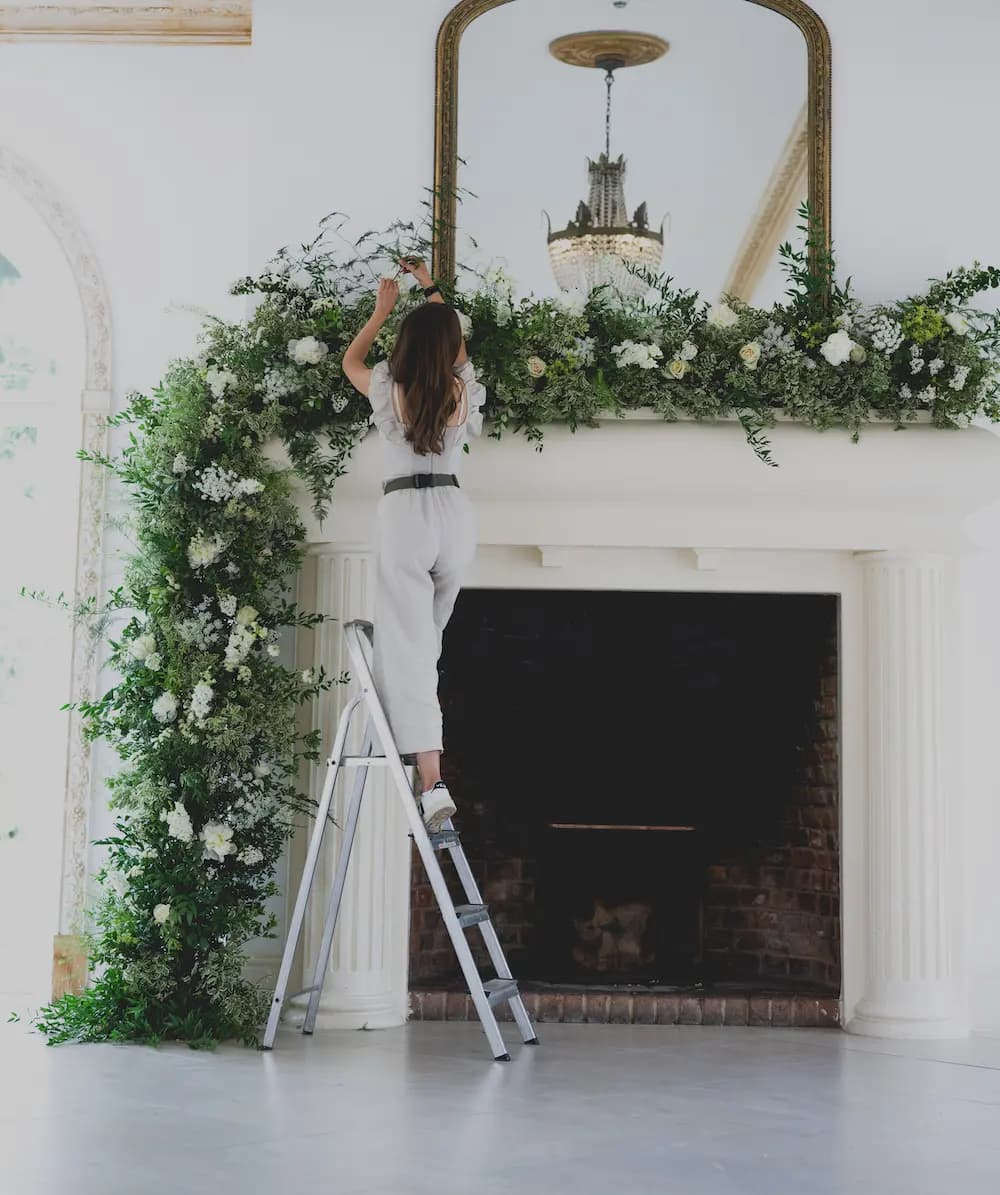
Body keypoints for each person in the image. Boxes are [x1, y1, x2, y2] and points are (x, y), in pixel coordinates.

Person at [341, 259, 485, 832]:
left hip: (404, 512)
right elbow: (457, 344)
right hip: (454, 515)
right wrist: (430, 287)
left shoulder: (387, 386)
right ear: (450, 348)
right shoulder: (463, 390)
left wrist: (380, 312)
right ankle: (426, 763)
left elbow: (349, 361)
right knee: (424, 649)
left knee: (410, 649)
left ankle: (432, 780)